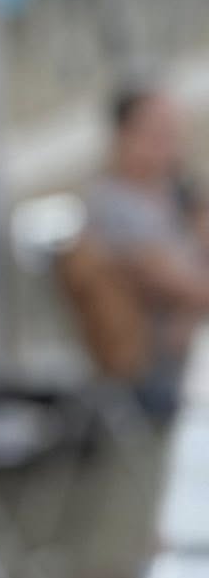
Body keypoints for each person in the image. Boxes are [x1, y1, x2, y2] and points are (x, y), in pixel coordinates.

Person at [83, 85, 209, 420]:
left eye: (174, 132)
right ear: (126, 136)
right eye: (158, 132)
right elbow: (183, 287)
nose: (172, 144)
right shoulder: (114, 205)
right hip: (162, 374)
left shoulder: (173, 193)